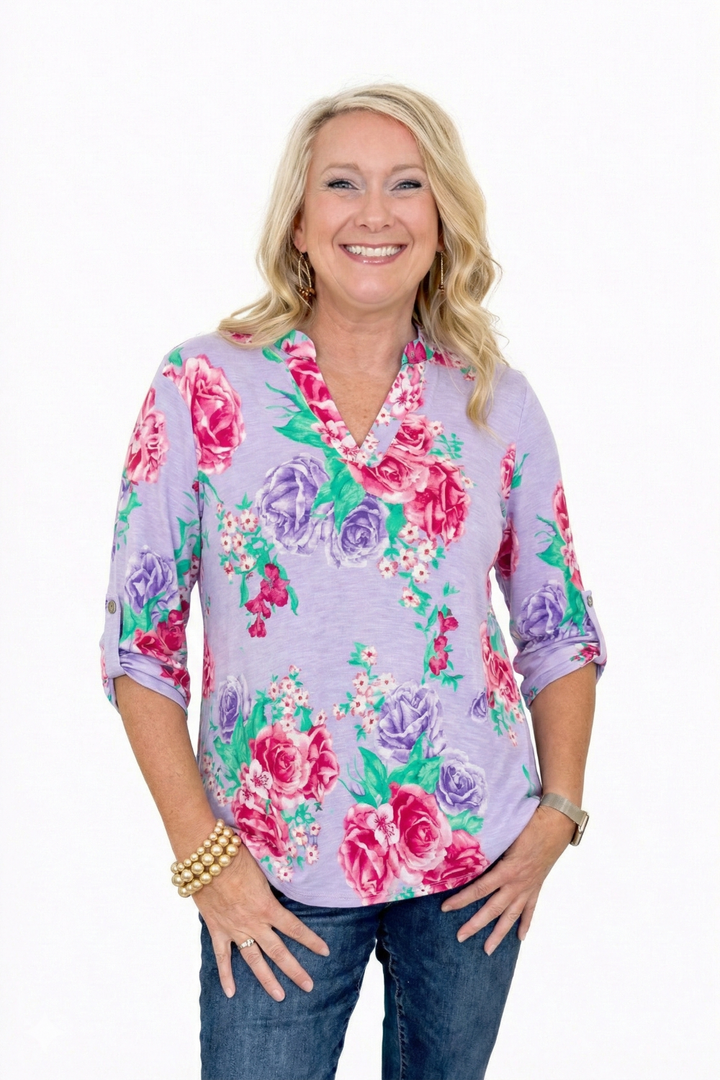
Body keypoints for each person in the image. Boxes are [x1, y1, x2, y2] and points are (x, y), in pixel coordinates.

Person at [101, 84, 606, 1080]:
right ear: (297, 221)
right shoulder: (201, 386)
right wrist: (207, 862)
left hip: (473, 866)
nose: (374, 213)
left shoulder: (494, 402)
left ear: (442, 220)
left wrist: (558, 814)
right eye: (342, 184)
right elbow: (140, 651)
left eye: (406, 185)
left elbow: (557, 629)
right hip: (269, 872)